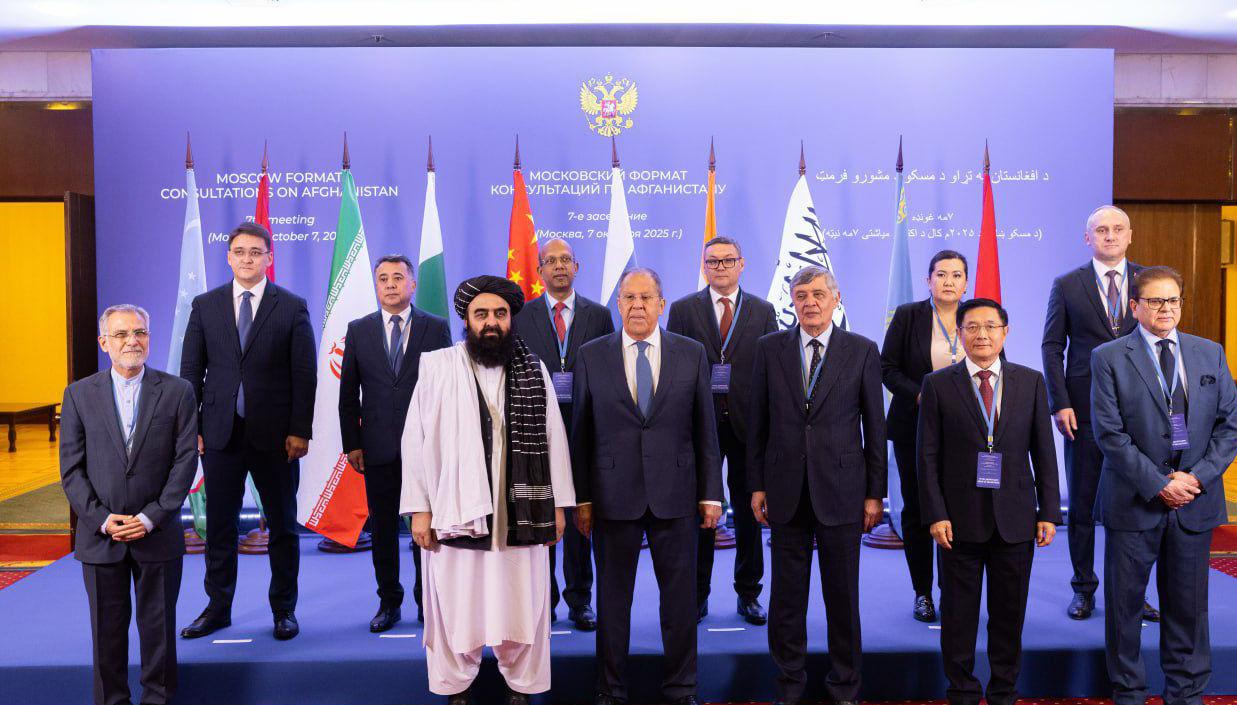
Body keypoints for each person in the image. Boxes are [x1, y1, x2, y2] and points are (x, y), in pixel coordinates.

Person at [400, 275, 575, 705]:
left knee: (523, 596)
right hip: (456, 508)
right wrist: (419, 508)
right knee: (456, 598)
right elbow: (415, 441)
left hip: (522, 509)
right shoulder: (439, 367)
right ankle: (455, 683)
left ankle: (522, 683)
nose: (491, 322)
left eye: (500, 313)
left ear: (511, 318)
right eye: (482, 314)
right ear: (467, 320)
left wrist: (557, 506)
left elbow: (554, 437)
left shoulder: (533, 369)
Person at [571, 267, 723, 705]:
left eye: (645, 298)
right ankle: (610, 689)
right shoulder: (590, 355)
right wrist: (583, 498)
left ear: (661, 304)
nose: (637, 305)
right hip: (611, 498)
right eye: (629, 298)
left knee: (680, 602)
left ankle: (681, 688)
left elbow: (705, 429)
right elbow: (580, 434)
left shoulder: (691, 353)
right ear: (618, 304)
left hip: (676, 496)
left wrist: (711, 493)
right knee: (612, 602)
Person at [1091, 266, 1237, 705]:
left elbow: (1229, 427)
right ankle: (1129, 693)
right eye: (1155, 301)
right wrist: (1158, 484)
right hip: (1134, 501)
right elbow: (1109, 434)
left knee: (1189, 611)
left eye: (1172, 300)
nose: (1165, 309)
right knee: (1125, 610)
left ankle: (1186, 695)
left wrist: (1196, 477)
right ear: (1135, 307)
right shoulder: (1108, 357)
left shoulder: (1209, 353)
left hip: (1194, 500)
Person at [748, 265, 886, 705]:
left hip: (843, 491)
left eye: (818, 294)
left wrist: (875, 493)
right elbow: (757, 423)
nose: (810, 302)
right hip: (784, 490)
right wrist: (756, 485)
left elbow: (875, 428)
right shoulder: (769, 349)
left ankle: (844, 686)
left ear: (835, 299)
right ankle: (789, 686)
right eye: (801, 295)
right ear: (792, 301)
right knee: (786, 599)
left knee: (842, 597)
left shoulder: (862, 350)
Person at [917, 297, 1062, 705]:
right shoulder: (937, 384)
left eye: (990, 326)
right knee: (958, 618)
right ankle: (962, 692)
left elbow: (1044, 453)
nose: (982, 334)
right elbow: (926, 457)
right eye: (972, 327)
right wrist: (935, 514)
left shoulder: (1031, 382)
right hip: (957, 523)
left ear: (1005, 332)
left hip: (1015, 520)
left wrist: (1049, 512)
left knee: (1009, 617)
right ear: (960, 333)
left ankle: (1003, 692)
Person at [179, 221, 317, 641]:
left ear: (269, 258)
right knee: (220, 526)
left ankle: (284, 610)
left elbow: (305, 374)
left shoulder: (291, 306)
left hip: (277, 438)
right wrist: (192, 427)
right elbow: (191, 372)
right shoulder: (205, 306)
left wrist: (300, 430)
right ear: (228, 257)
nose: (247, 258)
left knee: (283, 526)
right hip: (219, 434)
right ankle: (217, 608)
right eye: (239, 251)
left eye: (256, 252)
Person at [60, 305, 198, 705]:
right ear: (104, 343)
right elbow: (71, 470)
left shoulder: (178, 392)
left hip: (157, 534)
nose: (132, 341)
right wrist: (103, 519)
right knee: (106, 634)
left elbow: (185, 461)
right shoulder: (78, 395)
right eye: (121, 334)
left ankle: (158, 700)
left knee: (159, 633)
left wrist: (151, 517)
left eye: (139, 332)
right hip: (101, 537)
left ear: (149, 338)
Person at [1041, 205, 1157, 621]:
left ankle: (1132, 593)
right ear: (1087, 238)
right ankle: (1083, 589)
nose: (1110, 236)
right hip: (1083, 410)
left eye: (1117, 229)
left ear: (1130, 235)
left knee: (1139, 505)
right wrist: (1060, 402)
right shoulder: (1067, 284)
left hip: (1141, 411)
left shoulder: (1149, 282)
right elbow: (1052, 347)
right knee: (1084, 505)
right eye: (1101, 230)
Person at [667, 236, 777, 625]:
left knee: (749, 513)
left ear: (741, 264)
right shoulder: (683, 310)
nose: (720, 267)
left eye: (728, 260)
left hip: (749, 427)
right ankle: (697, 595)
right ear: (704, 266)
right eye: (712, 261)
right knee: (703, 512)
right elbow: (674, 367)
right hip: (700, 426)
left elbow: (772, 370)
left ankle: (749, 593)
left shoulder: (763, 311)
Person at [339, 254, 452, 631]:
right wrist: (352, 444)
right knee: (384, 529)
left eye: (398, 278)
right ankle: (389, 602)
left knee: (427, 526)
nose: (390, 284)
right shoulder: (359, 330)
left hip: (426, 447)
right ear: (376, 285)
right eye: (383, 278)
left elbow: (448, 389)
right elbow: (348, 394)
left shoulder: (436, 328)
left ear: (412, 284)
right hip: (377, 447)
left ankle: (428, 600)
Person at [512, 237, 614, 631]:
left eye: (565, 259)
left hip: (587, 427)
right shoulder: (522, 316)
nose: (559, 266)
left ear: (577, 267)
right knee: (540, 516)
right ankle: (543, 600)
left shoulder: (599, 315)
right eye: (551, 260)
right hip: (536, 429)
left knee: (580, 518)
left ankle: (580, 599)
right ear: (539, 270)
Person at [880, 249, 969, 622]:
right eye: (941, 274)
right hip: (913, 426)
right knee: (917, 509)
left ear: (966, 283)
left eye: (956, 275)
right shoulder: (908, 316)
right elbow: (887, 368)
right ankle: (922, 592)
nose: (948, 281)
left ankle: (952, 591)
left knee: (958, 509)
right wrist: (921, 395)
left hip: (964, 431)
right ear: (928, 280)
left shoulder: (976, 316)